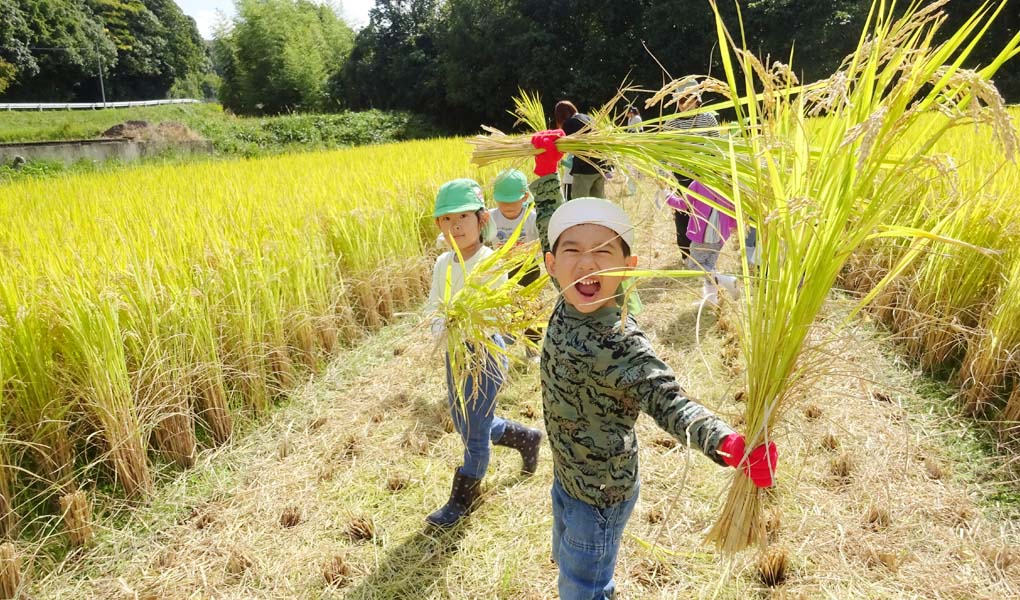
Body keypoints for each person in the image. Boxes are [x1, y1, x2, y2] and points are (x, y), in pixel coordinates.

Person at [527, 130, 778, 599]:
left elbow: (672, 404)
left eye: (604, 253)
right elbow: (549, 224)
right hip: (566, 476)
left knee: (580, 588)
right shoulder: (565, 296)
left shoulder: (622, 342)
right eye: (572, 252)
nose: (586, 265)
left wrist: (729, 445)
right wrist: (545, 172)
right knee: (569, 562)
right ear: (552, 264)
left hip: (601, 495)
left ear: (630, 265)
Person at [423, 178, 544, 528]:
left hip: (485, 355)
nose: (455, 226)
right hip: (455, 354)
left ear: (482, 219)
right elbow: (433, 306)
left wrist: (466, 322)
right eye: (447, 219)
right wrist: (440, 327)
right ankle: (526, 438)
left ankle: (462, 499)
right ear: (439, 225)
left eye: (463, 216)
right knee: (465, 422)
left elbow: (497, 314)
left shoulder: (490, 262)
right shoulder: (442, 264)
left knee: (474, 434)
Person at [490, 168, 543, 357]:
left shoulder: (531, 218)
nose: (507, 206)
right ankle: (509, 335)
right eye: (502, 202)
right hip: (502, 270)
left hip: (528, 269)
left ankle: (532, 347)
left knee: (530, 308)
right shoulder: (490, 218)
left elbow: (544, 241)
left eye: (512, 201)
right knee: (506, 305)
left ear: (525, 197)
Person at [666, 79, 720, 262]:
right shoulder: (671, 123)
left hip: (705, 176)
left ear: (697, 99)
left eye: (689, 99)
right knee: (682, 214)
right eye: (681, 100)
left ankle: (703, 253)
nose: (685, 105)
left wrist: (716, 169)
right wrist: (664, 173)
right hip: (681, 176)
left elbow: (717, 146)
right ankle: (686, 254)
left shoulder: (708, 119)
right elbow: (665, 151)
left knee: (704, 215)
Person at [554, 100, 607, 200]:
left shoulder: (570, 123)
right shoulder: (587, 118)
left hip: (584, 169)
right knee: (597, 202)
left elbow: (565, 147)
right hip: (599, 166)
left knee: (579, 203)